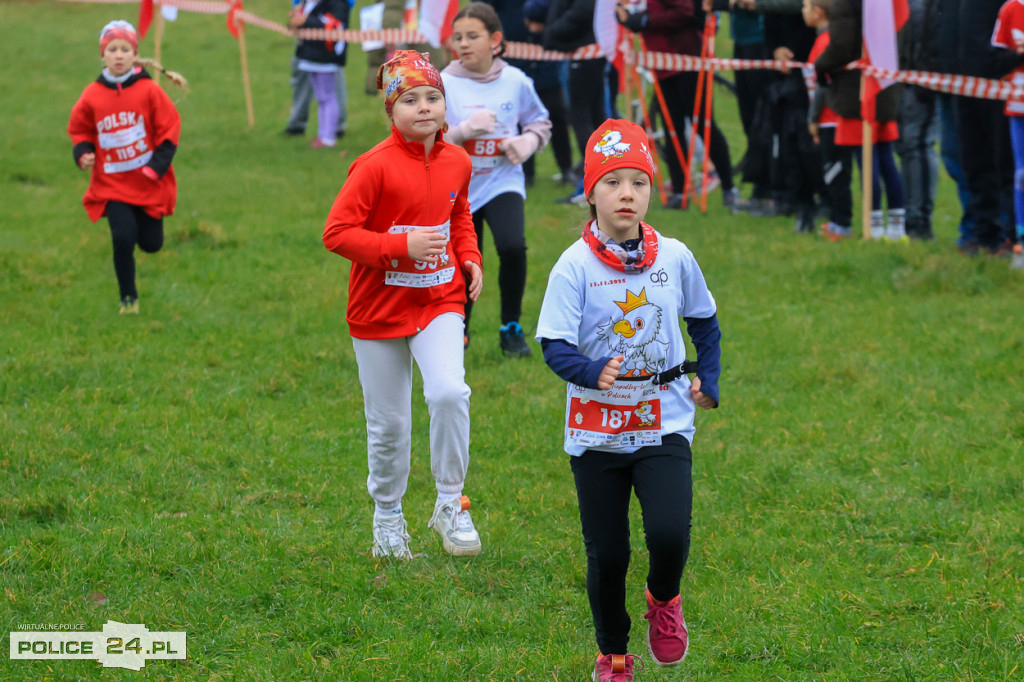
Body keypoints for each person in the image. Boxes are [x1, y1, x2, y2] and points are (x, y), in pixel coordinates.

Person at [536, 119, 721, 681]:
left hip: (664, 416)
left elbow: (705, 322)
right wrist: (592, 371)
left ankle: (664, 598)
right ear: (590, 193)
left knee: (668, 532)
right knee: (608, 552)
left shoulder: (675, 256)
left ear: (650, 192)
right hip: (596, 428)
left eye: (637, 183)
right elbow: (553, 345)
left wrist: (707, 380)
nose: (626, 194)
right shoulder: (574, 265)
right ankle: (614, 654)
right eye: (612, 182)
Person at [323, 51, 485, 559]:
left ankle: (449, 503)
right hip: (377, 310)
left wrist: (470, 256)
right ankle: (388, 517)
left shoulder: (459, 159)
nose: (423, 108)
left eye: (433, 98)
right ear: (391, 111)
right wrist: (400, 247)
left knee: (449, 393)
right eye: (409, 100)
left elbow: (459, 216)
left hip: (439, 299)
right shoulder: (372, 168)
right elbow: (336, 234)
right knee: (390, 424)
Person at [442, 3, 552, 357]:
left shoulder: (516, 81)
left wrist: (527, 141)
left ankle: (511, 327)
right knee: (465, 258)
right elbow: (425, 139)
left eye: (472, 36)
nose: (464, 44)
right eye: (458, 37)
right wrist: (460, 132)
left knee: (511, 247)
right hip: (459, 188)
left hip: (503, 180)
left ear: (495, 40)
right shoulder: (444, 83)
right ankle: (458, 329)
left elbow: (540, 121)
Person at [68, 20, 184, 315]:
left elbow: (170, 131)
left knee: (151, 244)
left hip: (147, 183)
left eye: (125, 49)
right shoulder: (92, 94)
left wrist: (155, 167)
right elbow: (80, 129)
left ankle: (144, 248)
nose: (118, 55)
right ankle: (128, 298)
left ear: (135, 55)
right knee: (122, 237)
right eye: (112, 49)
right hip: (112, 184)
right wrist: (83, 152)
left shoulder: (149, 91)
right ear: (102, 55)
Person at [622, 0, 741, 210]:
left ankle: (729, 187)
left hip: (686, 59)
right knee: (671, 128)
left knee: (705, 125)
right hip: (661, 62)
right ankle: (679, 191)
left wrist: (646, 20)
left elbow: (684, 12)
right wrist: (628, 17)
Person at [814, 0, 906, 240]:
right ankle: (896, 224)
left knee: (869, 161)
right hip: (885, 86)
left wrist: (821, 65)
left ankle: (874, 225)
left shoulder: (845, 3)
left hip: (859, 94)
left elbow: (841, 44)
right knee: (886, 158)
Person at [803, 0, 853, 239]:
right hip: (825, 119)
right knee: (830, 173)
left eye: (805, 7)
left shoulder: (826, 41)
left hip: (831, 119)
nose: (802, 12)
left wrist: (813, 117)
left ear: (818, 12)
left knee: (836, 174)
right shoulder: (820, 39)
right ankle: (836, 221)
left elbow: (823, 86)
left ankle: (842, 224)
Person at [283, 0, 348, 139]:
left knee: (328, 96)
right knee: (322, 98)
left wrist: (305, 20)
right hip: (311, 55)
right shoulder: (307, 3)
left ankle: (329, 136)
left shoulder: (337, 4)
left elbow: (334, 25)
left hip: (327, 57)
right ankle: (323, 135)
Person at [992, 0, 1024, 268]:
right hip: (1018, 107)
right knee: (1021, 175)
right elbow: (996, 60)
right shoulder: (1010, 9)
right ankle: (1021, 243)